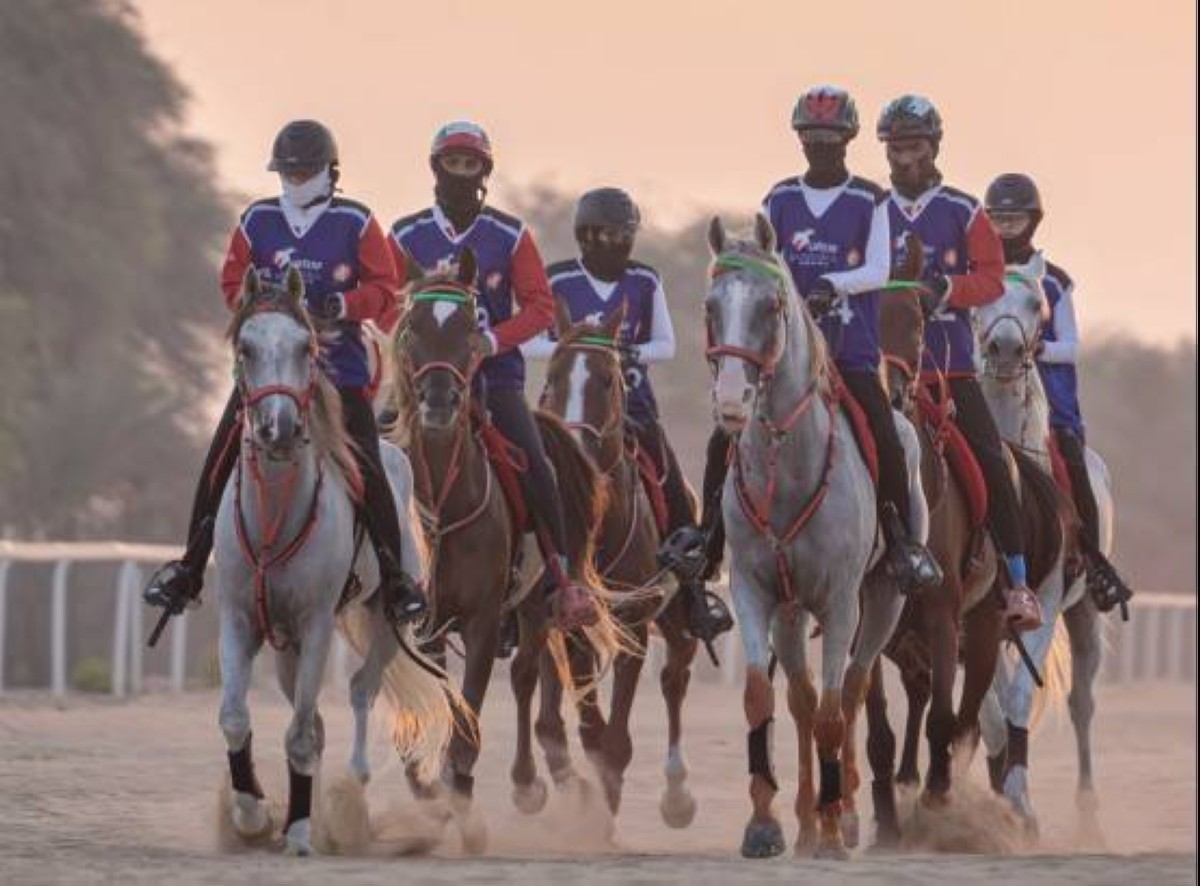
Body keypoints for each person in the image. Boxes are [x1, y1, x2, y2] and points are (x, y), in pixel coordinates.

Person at [143, 119, 427, 625]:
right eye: (289, 171)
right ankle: (188, 570)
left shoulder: (357, 222)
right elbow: (232, 279)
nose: (296, 179)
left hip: (336, 371)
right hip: (270, 373)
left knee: (368, 462)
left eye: (307, 171)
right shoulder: (257, 220)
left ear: (329, 172)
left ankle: (395, 575)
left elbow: (386, 289)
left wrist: (345, 302)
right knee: (218, 456)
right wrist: (256, 309)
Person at [388, 120, 596, 631]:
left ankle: (561, 580)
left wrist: (493, 340)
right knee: (372, 456)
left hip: (494, 378)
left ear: (484, 171)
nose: (461, 173)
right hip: (422, 382)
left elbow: (541, 305)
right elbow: (381, 303)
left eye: (470, 164)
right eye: (453, 163)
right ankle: (365, 571)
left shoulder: (510, 235)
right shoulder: (405, 234)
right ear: (437, 169)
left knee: (540, 467)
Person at [523, 187, 734, 641]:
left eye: (623, 234)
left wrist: (625, 350)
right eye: (606, 234)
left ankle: (692, 592)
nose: (615, 242)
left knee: (674, 487)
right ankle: (512, 590)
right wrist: (576, 346)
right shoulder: (558, 279)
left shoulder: (644, 280)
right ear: (585, 235)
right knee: (523, 482)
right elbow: (529, 339)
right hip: (562, 411)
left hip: (630, 406)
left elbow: (666, 344)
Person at [875, 95, 1042, 630]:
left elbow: (992, 279)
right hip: (879, 365)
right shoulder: (871, 211)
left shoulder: (965, 210)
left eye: (915, 147)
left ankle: (1017, 584)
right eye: (896, 149)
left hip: (950, 367)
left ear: (934, 146)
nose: (905, 159)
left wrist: (946, 288)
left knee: (993, 460)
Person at [984, 172, 1133, 612]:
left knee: (1070, 453)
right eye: (1000, 218)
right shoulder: (979, 277)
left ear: (1034, 221)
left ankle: (1092, 558)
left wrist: (1039, 346)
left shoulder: (1055, 282)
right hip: (990, 384)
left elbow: (1072, 346)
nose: (1008, 227)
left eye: (1016, 219)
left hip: (1047, 391)